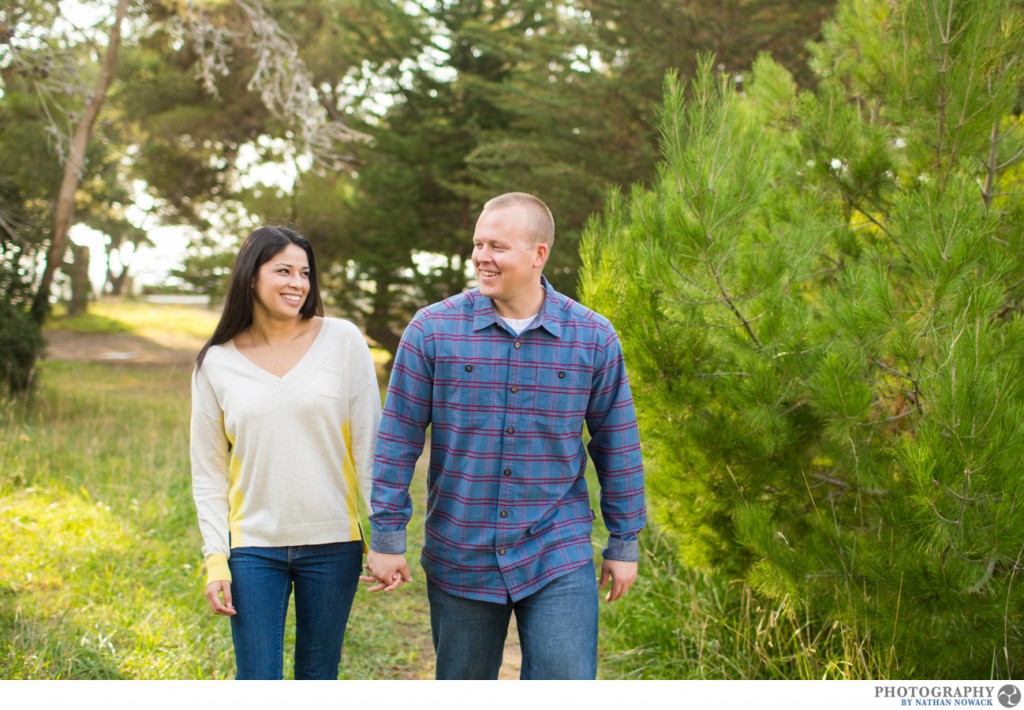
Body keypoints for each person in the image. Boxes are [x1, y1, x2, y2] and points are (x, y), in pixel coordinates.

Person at [362, 192, 646, 680]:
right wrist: (387, 535)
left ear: (539, 255)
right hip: (461, 548)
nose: (480, 257)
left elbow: (617, 446)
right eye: (478, 243)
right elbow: (397, 440)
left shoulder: (593, 338)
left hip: (557, 549)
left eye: (497, 245)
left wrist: (624, 541)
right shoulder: (432, 330)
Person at [190, 225, 381, 680]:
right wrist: (216, 557)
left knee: (319, 675)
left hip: (334, 542)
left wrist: (385, 536)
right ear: (250, 276)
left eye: (305, 273)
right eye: (283, 271)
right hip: (254, 548)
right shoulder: (216, 362)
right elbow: (208, 472)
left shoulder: (343, 340)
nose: (297, 283)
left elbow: (369, 445)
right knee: (258, 679)